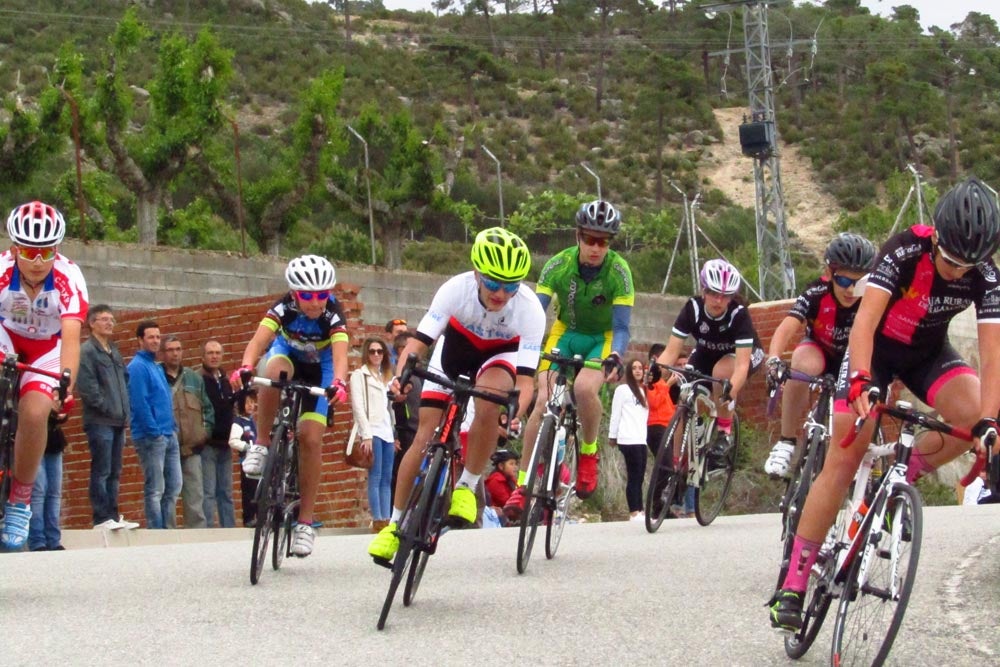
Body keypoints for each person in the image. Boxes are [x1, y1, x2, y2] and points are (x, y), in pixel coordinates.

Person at [769, 176, 1000, 632]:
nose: (958, 272)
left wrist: (990, 422)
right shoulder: (903, 251)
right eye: (952, 260)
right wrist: (858, 380)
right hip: (874, 353)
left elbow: (993, 357)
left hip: (927, 355)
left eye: (969, 264)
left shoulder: (986, 275)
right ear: (935, 235)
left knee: (974, 413)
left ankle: (905, 471)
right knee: (845, 453)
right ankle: (793, 584)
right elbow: (864, 323)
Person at [368, 227, 545, 561]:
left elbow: (525, 381)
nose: (501, 294)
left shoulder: (530, 309)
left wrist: (513, 410)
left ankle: (466, 485)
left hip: (499, 354)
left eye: (511, 286)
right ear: (477, 272)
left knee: (490, 399)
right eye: (493, 283)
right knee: (423, 436)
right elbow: (419, 343)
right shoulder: (455, 289)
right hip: (454, 351)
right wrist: (403, 377)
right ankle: (393, 526)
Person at [504, 200, 633, 521]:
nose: (595, 248)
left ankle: (588, 453)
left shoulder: (619, 271)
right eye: (589, 239)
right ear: (577, 236)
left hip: (600, 338)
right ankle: (522, 485)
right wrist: (522, 346)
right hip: (565, 332)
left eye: (603, 242)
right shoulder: (557, 264)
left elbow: (620, 327)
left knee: (587, 389)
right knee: (542, 400)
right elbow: (536, 311)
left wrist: (615, 354)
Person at [229, 254, 349, 557]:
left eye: (323, 294)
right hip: (288, 358)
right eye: (309, 295)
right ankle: (262, 443)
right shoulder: (283, 308)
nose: (317, 302)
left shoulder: (333, 314)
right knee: (270, 372)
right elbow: (259, 342)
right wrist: (245, 365)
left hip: (320, 370)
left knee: (310, 438)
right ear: (296, 293)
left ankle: (305, 523)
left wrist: (339, 382)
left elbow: (340, 356)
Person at [0, 201, 88, 550]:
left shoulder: (69, 276)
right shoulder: (2, 270)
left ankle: (20, 500)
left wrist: (65, 385)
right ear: (14, 248)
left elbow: (70, 338)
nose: (37, 262)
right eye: (28, 252)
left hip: (47, 350)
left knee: (35, 412)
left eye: (46, 253)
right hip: (6, 339)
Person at [763, 233, 878, 478]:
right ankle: (787, 441)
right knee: (800, 364)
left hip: (854, 357)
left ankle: (859, 453)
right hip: (820, 351)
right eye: (843, 280)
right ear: (829, 272)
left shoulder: (874, 298)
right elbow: (786, 327)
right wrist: (773, 359)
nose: (850, 289)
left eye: (859, 282)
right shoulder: (816, 292)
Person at [656, 259, 764, 468]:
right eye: (713, 293)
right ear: (703, 290)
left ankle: (724, 432)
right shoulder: (692, 308)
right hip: (708, 350)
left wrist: (729, 393)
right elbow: (671, 352)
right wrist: (655, 376)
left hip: (741, 355)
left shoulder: (738, 315)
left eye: (725, 296)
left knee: (722, 373)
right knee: (685, 395)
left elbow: (741, 367)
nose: (718, 300)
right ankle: (675, 465)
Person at [77, 304, 138, 530]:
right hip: (100, 420)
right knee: (101, 470)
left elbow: (125, 382)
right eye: (104, 319)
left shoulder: (114, 350)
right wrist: (108, 408)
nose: (110, 323)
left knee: (114, 471)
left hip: (119, 421)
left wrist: (124, 412)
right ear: (91, 323)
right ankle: (101, 517)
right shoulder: (87, 351)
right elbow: (88, 387)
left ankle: (113, 514)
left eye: (111, 319)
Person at [127, 321, 182, 530]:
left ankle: (168, 529)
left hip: (169, 434)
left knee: (174, 485)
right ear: (140, 340)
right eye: (151, 337)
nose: (155, 341)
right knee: (155, 488)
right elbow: (139, 403)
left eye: (158, 337)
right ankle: (156, 530)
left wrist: (172, 429)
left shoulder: (155, 366)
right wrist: (155, 432)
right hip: (152, 437)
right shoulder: (137, 367)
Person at [161, 335, 213, 529]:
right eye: (170, 350)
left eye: (178, 349)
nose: (175, 353)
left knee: (195, 495)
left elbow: (207, 409)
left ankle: (197, 535)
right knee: (169, 493)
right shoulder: (157, 375)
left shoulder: (193, 377)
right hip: (167, 446)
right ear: (163, 353)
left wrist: (203, 434)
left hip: (193, 447)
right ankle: (168, 533)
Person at [350, 337, 397, 533]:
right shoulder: (359, 375)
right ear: (366, 354)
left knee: (387, 478)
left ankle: (385, 518)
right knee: (375, 476)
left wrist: (394, 433)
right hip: (373, 430)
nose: (376, 355)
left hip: (387, 431)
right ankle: (377, 519)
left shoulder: (385, 377)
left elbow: (389, 408)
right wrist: (366, 434)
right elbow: (358, 406)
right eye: (372, 351)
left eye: (380, 351)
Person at [609, 357, 650, 521]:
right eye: (634, 368)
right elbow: (616, 413)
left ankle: (640, 510)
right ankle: (634, 511)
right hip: (627, 438)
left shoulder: (644, 391)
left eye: (640, 368)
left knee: (640, 476)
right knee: (633, 475)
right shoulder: (623, 390)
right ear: (629, 371)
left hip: (641, 438)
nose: (638, 371)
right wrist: (613, 436)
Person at [200, 339, 236, 528]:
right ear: (203, 356)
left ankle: (229, 530)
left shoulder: (225, 380)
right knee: (208, 492)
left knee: (226, 492)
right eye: (210, 353)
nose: (214, 356)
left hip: (225, 443)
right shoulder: (199, 379)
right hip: (208, 444)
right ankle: (208, 531)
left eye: (217, 353)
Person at [27, 412, 69, 551]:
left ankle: (53, 539)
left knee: (54, 492)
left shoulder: (57, 390)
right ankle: (37, 540)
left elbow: (63, 411)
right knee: (38, 491)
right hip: (32, 438)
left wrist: (61, 413)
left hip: (53, 439)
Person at [390, 331, 420, 506]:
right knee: (400, 473)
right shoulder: (395, 373)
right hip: (403, 430)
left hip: (418, 429)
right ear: (401, 349)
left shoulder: (418, 374)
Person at [228, 388, 259, 527]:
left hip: (257, 461)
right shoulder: (238, 422)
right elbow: (233, 441)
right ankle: (248, 518)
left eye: (253, 402)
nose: (251, 406)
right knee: (248, 491)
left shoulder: (252, 422)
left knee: (258, 490)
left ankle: (259, 516)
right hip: (246, 462)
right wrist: (247, 447)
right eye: (247, 402)